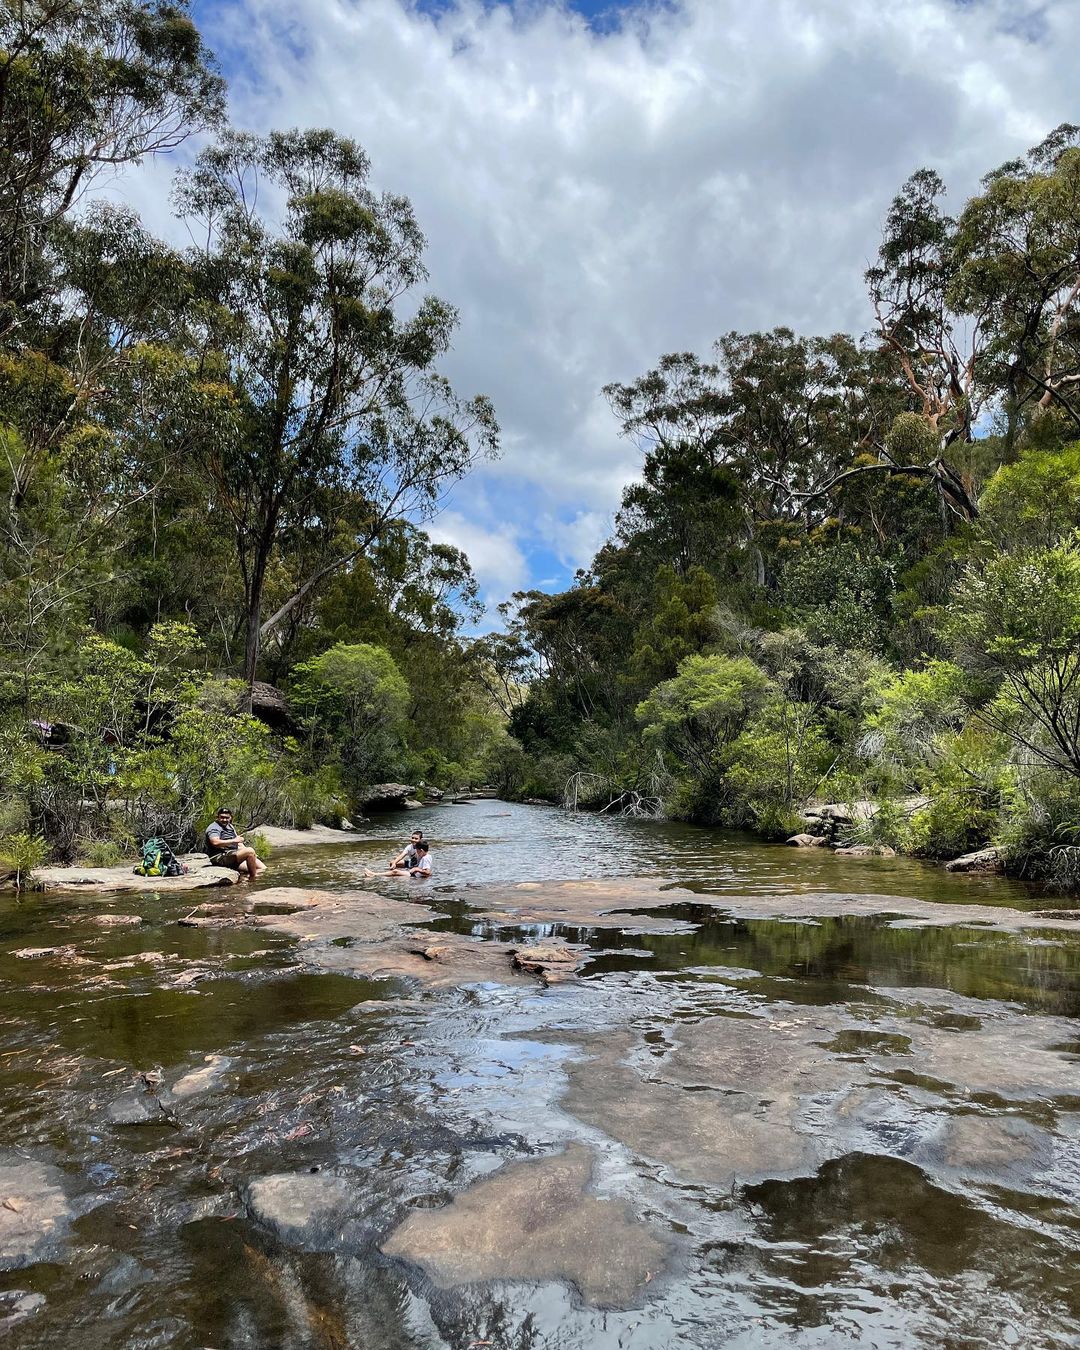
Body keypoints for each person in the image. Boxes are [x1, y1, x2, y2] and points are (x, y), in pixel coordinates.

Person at [203, 807, 266, 878]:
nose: (224, 820)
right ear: (217, 817)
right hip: (219, 857)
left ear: (230, 818)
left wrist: (248, 851)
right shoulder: (214, 827)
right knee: (250, 851)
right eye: (222, 817)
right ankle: (252, 879)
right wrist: (233, 840)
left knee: (262, 868)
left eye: (227, 818)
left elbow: (238, 842)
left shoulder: (230, 826)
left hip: (232, 856)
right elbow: (215, 842)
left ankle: (243, 879)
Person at [365, 840, 432, 879]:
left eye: (417, 851)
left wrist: (416, 869)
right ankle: (375, 874)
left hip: (415, 875)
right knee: (395, 873)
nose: (416, 852)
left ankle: (374, 874)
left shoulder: (426, 858)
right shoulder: (427, 856)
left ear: (422, 850)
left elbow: (428, 872)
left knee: (395, 872)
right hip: (415, 874)